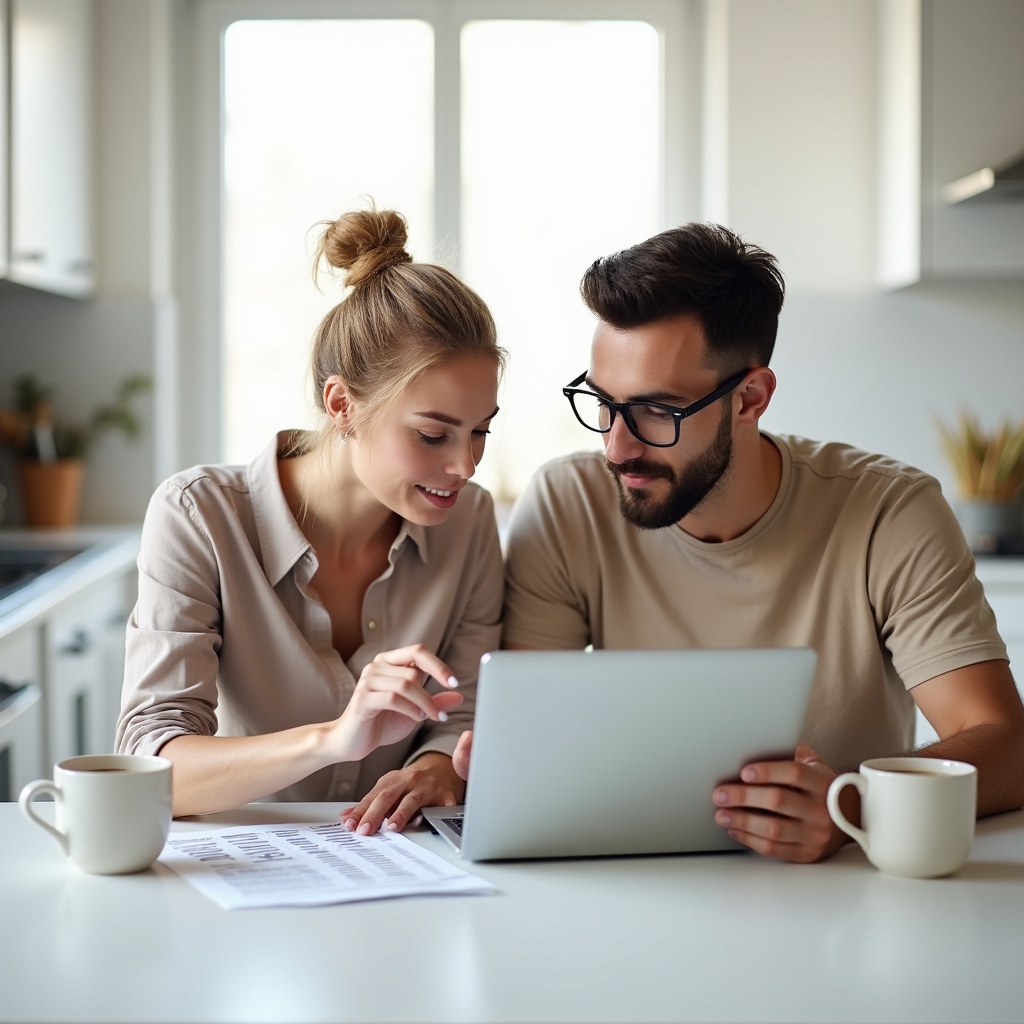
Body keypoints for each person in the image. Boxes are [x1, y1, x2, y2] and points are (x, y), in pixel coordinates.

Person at [449, 222, 1024, 864]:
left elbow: (1003, 742)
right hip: (630, 887)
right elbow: (536, 736)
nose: (616, 446)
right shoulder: (568, 504)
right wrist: (499, 761)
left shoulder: (889, 511)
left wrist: (852, 804)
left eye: (656, 412)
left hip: (839, 894)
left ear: (750, 397)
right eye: (603, 402)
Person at [117, 207, 503, 835]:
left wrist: (436, 767)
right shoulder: (199, 516)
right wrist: (332, 739)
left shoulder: (470, 522)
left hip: (400, 871)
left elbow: (466, 710)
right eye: (434, 434)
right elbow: (150, 762)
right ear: (343, 405)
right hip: (242, 877)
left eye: (480, 430)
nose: (465, 464)